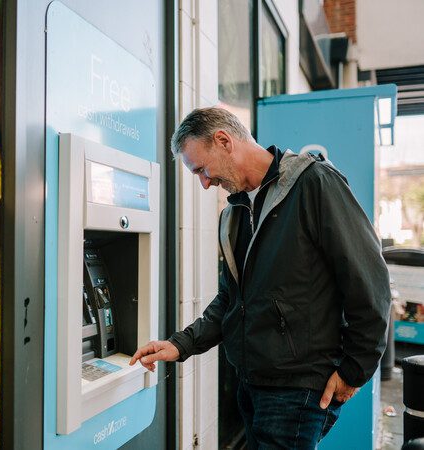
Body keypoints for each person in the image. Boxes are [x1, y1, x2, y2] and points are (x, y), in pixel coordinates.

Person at [130, 107, 391, 449]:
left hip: (297, 388)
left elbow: (370, 282)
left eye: (201, 169)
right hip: (252, 385)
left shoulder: (314, 183)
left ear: (223, 141)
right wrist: (181, 345)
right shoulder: (234, 213)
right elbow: (231, 299)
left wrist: (354, 371)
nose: (205, 183)